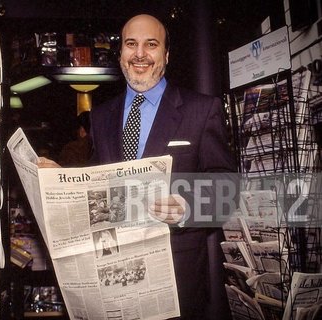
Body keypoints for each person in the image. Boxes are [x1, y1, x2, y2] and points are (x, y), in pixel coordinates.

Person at [39, 14, 236, 320]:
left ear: (166, 55)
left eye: (151, 44)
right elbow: (97, 179)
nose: (140, 54)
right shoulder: (101, 115)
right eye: (131, 44)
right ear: (121, 55)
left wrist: (186, 207)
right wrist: (60, 178)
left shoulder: (201, 109)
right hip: (111, 280)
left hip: (176, 286)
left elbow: (227, 188)